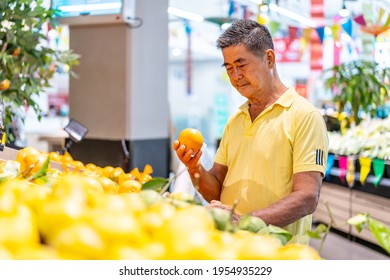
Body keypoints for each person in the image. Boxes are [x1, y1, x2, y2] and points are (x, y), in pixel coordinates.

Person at [172, 19, 328, 242]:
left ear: (269, 59)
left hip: (278, 255)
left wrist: (244, 221)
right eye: (229, 68)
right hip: (233, 249)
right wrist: (194, 167)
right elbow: (215, 190)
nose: (235, 76)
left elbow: (307, 197)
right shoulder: (235, 120)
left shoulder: (304, 116)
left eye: (241, 65)